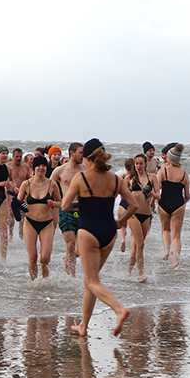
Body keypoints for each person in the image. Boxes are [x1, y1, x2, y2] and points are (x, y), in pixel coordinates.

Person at [62, 139, 136, 337]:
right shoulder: (116, 179)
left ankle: (119, 309)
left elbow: (65, 206)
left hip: (88, 232)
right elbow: (134, 204)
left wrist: (82, 204)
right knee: (90, 281)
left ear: (87, 158)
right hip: (109, 232)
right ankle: (83, 325)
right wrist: (121, 222)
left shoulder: (80, 178)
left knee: (93, 280)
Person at [17, 155, 61, 281]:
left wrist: (54, 204)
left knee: (45, 257)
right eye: (38, 166)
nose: (41, 168)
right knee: (32, 257)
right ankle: (34, 284)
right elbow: (18, 202)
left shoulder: (52, 184)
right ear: (34, 167)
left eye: (43, 166)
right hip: (30, 223)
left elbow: (61, 202)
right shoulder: (26, 184)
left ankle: (44, 265)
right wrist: (21, 208)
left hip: (47, 223)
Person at [50, 142, 86, 276]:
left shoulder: (86, 169)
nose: (83, 155)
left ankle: (68, 261)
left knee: (81, 249)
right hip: (66, 211)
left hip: (82, 212)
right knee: (70, 245)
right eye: (81, 153)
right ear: (72, 153)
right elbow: (48, 187)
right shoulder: (60, 171)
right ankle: (72, 276)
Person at [156, 143, 190, 267]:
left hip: (164, 202)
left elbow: (157, 188)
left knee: (165, 229)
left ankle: (166, 251)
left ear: (169, 158)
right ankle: (176, 260)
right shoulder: (184, 174)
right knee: (176, 235)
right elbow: (187, 195)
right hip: (178, 204)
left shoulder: (162, 171)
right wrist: (183, 203)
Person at [125, 153, 158, 282]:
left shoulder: (153, 177)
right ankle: (141, 273)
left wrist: (152, 194)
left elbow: (159, 197)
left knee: (137, 247)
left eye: (141, 163)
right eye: (136, 164)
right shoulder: (129, 178)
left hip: (147, 215)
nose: (138, 166)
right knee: (141, 244)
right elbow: (121, 193)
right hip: (133, 214)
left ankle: (128, 271)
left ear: (145, 164)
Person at [7, 148, 31, 240]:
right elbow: (6, 180)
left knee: (23, 213)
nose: (18, 158)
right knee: (11, 214)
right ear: (13, 156)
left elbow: (28, 180)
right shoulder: (8, 166)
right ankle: (10, 234)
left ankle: (21, 234)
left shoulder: (25, 167)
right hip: (10, 193)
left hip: (22, 193)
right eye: (16, 156)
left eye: (20, 156)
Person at [117, 158, 134, 253]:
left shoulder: (121, 177)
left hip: (123, 204)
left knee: (122, 225)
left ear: (125, 167)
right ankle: (133, 249)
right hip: (133, 204)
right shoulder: (136, 177)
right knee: (133, 230)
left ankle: (123, 239)